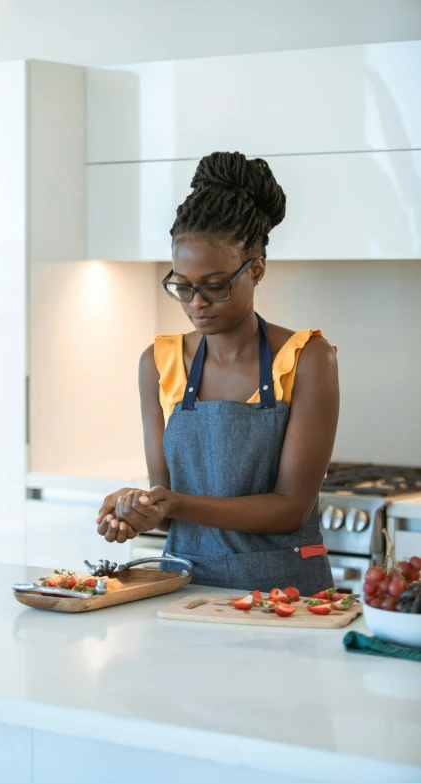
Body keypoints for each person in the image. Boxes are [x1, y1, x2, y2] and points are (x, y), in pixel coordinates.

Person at [96, 151, 339, 594]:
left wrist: (175, 503)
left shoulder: (307, 358)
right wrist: (135, 508)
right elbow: (164, 496)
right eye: (182, 287)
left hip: (285, 596)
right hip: (181, 589)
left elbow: (290, 509)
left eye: (214, 286)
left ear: (257, 268)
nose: (196, 304)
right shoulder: (158, 361)